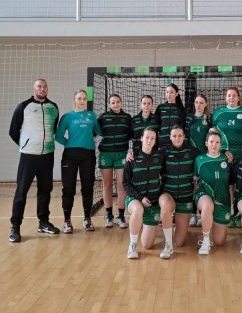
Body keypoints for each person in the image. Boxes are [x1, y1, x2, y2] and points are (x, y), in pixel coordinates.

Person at [7, 78, 60, 243]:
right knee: (21, 192)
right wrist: (26, 145)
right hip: (28, 156)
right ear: (34, 88)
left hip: (47, 155)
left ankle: (43, 222)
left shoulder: (53, 107)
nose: (42, 89)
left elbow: (53, 129)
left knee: (45, 190)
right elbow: (13, 131)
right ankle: (15, 227)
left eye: (45, 87)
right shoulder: (23, 107)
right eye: (39, 86)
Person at [55, 89, 102, 233]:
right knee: (68, 188)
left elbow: (99, 131)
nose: (82, 101)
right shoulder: (67, 117)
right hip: (70, 154)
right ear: (74, 100)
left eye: (84, 98)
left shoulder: (91, 115)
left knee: (87, 187)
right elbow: (58, 136)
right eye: (79, 98)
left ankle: (87, 219)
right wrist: (70, 143)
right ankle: (67, 221)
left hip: (88, 154)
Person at [212, 86, 242, 226]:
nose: (231, 97)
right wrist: (222, 150)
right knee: (227, 184)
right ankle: (229, 211)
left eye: (234, 95)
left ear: (238, 98)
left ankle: (240, 213)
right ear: (225, 98)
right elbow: (213, 136)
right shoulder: (218, 113)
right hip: (224, 155)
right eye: (229, 95)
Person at [123, 128, 166, 259]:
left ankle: (142, 225)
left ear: (155, 140)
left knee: (147, 245)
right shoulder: (132, 158)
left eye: (152, 138)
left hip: (152, 203)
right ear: (141, 138)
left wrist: (160, 196)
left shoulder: (159, 157)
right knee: (138, 209)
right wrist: (140, 198)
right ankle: (132, 246)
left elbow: (165, 177)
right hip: (135, 199)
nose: (149, 140)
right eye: (147, 137)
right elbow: (126, 183)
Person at [158, 125, 199, 248]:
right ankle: (168, 244)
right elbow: (147, 157)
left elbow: (206, 159)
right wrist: (131, 154)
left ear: (184, 136)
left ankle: (177, 226)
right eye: (174, 136)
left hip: (185, 197)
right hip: (168, 193)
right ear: (170, 137)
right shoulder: (163, 152)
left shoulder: (193, 151)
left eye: (180, 135)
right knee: (166, 205)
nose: (177, 138)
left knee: (180, 243)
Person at [194, 128, 231, 255]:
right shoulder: (199, 159)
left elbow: (231, 183)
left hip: (222, 199)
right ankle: (205, 241)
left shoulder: (227, 159)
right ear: (206, 143)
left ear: (221, 144)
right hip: (203, 194)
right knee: (207, 206)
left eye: (217, 142)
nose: (214, 145)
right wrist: (195, 203)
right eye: (211, 142)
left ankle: (210, 221)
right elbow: (195, 181)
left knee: (219, 241)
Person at [98, 94, 132, 228]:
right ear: (109, 104)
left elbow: (132, 135)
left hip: (121, 154)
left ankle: (121, 215)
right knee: (106, 185)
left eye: (118, 102)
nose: (116, 104)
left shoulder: (127, 118)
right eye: (113, 102)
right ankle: (109, 215)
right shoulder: (103, 117)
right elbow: (93, 132)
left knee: (121, 185)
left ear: (121, 103)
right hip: (106, 155)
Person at [185, 93, 211, 227]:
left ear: (205, 104)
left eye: (201, 103)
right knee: (192, 184)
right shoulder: (189, 118)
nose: (199, 105)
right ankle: (192, 213)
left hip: (205, 157)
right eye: (196, 102)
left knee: (202, 184)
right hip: (191, 156)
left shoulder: (209, 119)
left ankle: (202, 213)